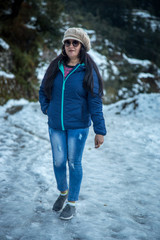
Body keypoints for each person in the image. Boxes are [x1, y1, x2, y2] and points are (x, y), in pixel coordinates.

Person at [39, 27, 106, 220]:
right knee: (58, 162)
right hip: (56, 125)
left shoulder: (88, 70)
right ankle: (63, 192)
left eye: (74, 43)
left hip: (78, 126)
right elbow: (43, 89)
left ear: (82, 46)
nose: (70, 46)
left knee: (74, 163)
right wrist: (47, 108)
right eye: (67, 42)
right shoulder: (55, 66)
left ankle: (72, 203)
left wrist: (99, 130)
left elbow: (95, 101)